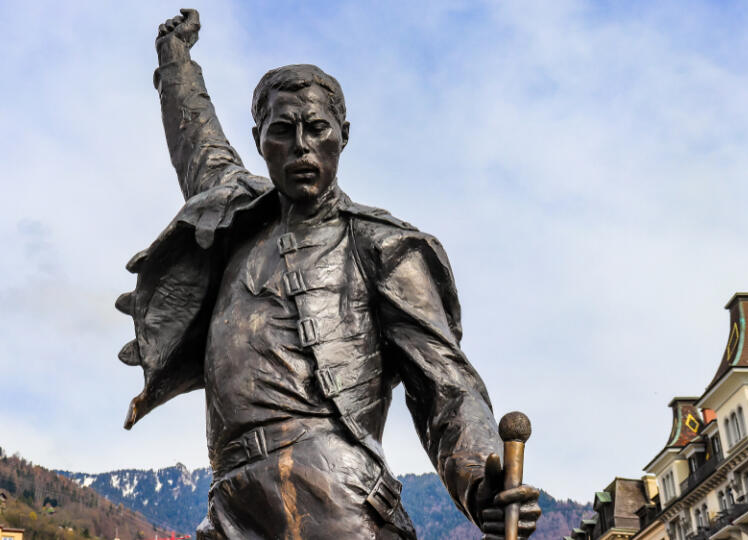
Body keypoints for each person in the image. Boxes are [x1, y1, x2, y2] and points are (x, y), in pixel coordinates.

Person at [116, 9, 541, 539]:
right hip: (230, 499)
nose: (301, 146)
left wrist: (480, 479)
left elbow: (445, 383)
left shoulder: (380, 246)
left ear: (343, 135)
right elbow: (195, 139)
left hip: (332, 495)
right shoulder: (236, 215)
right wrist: (174, 63)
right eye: (282, 131)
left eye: (317, 129)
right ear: (259, 140)